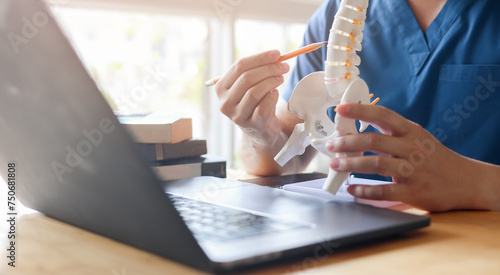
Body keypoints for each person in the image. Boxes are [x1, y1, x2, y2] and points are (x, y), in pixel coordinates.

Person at [214, 0, 500, 212]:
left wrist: (474, 182)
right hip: (364, 242)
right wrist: (258, 133)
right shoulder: (333, 14)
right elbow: (281, 159)